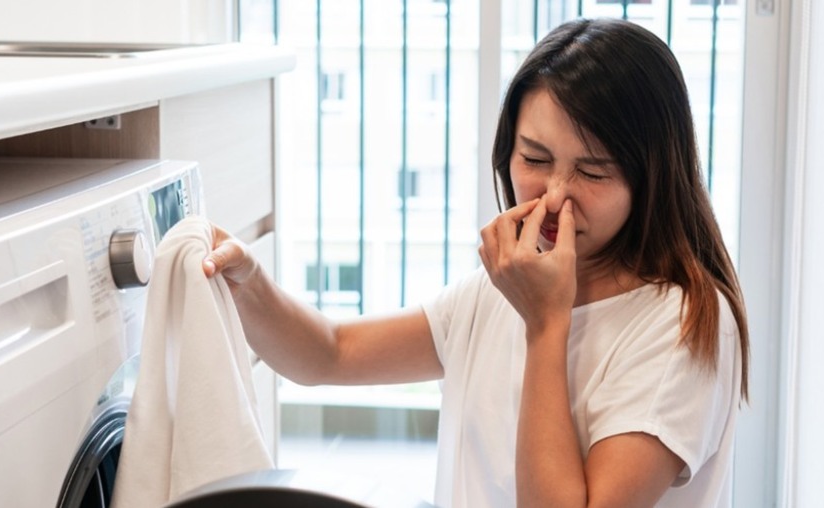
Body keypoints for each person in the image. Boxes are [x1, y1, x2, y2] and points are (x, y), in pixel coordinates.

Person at [201, 17, 749, 508]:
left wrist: (545, 324)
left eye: (594, 172)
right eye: (534, 159)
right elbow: (330, 354)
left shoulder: (684, 323)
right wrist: (248, 280)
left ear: (652, 176)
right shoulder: (503, 290)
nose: (554, 196)